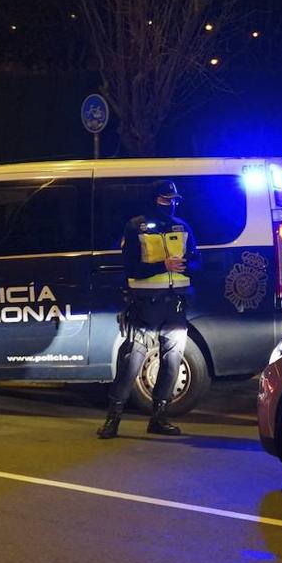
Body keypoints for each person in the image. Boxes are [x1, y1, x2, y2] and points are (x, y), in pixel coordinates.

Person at [97, 180, 202, 439]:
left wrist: (186, 264)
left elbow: (198, 263)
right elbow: (132, 268)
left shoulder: (183, 227)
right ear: (154, 199)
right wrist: (163, 266)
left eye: (175, 200)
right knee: (132, 359)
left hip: (175, 305)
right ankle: (113, 419)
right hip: (145, 305)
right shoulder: (136, 227)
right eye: (166, 199)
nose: (172, 204)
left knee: (172, 360)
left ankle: (159, 418)